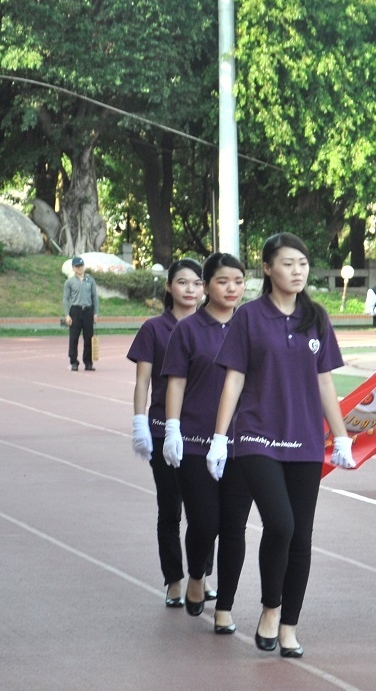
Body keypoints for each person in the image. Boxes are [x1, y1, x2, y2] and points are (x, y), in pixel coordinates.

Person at [209, 233, 356, 658]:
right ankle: (270, 608)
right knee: (281, 524)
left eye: (303, 264)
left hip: (306, 439)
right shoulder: (249, 317)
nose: (297, 271)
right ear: (268, 269)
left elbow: (324, 380)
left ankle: (289, 623)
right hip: (256, 436)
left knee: (302, 536)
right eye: (288, 263)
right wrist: (221, 437)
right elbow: (234, 377)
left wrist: (341, 434)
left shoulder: (317, 318)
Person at [162, 253, 253, 633]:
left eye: (238, 281)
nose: (231, 289)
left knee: (234, 526)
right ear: (206, 285)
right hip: (197, 442)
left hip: (244, 444)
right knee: (205, 521)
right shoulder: (188, 330)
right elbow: (177, 383)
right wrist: (171, 429)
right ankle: (196, 574)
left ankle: (225, 608)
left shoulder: (250, 326)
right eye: (222, 281)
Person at [127, 258, 210, 608]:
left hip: (204, 431)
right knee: (170, 508)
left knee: (206, 511)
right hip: (164, 429)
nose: (190, 289)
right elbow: (143, 381)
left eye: (196, 283)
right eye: (182, 283)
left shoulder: (215, 326)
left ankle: (200, 577)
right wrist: (139, 422)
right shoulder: (154, 329)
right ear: (168, 287)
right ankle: (174, 579)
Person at [63, 256, 100, 371]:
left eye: (81, 266)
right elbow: (65, 298)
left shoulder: (90, 280)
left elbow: (95, 297)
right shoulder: (69, 282)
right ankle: (74, 362)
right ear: (73, 268)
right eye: (77, 266)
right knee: (74, 338)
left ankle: (88, 362)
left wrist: (95, 313)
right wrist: (67, 314)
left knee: (88, 337)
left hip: (88, 310)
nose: (80, 268)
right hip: (75, 310)